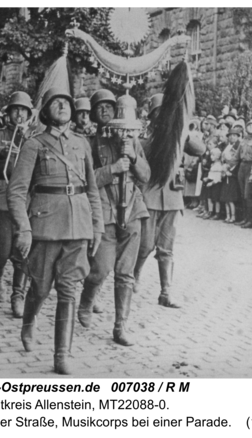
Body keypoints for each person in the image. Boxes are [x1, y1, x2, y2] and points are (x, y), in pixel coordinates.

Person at [7, 87, 103, 374]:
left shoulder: (82, 143)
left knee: (69, 289)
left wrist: (97, 225)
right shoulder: (34, 145)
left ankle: (62, 355)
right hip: (46, 225)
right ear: (46, 111)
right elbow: (16, 191)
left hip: (79, 225)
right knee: (40, 287)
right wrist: (23, 229)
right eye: (56, 103)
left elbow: (92, 189)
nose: (62, 106)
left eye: (66, 103)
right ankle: (28, 320)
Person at [77, 90, 150, 347]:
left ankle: (120, 326)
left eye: (112, 108)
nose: (107, 112)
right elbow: (86, 179)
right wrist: (112, 169)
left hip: (132, 210)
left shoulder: (133, 141)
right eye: (101, 108)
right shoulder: (89, 142)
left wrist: (132, 156)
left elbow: (145, 176)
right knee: (101, 268)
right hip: (105, 210)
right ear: (94, 114)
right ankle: (86, 299)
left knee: (125, 272)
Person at [133, 93, 206, 308]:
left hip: (173, 199)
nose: (164, 118)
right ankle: (135, 274)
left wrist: (184, 134)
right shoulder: (146, 141)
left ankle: (165, 292)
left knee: (166, 248)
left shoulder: (179, 139)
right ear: (153, 117)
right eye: (159, 114)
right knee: (145, 245)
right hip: (150, 197)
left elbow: (200, 150)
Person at [0, 91, 33, 315]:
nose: (19, 113)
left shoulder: (33, 137)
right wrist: (5, 150)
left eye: (23, 110)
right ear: (8, 113)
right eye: (15, 109)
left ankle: (18, 295)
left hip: (27, 199)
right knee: (1, 250)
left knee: (23, 251)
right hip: (3, 196)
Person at [220, 128, 241, 223]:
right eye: (230, 135)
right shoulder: (227, 146)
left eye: (234, 135)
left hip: (233, 173)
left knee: (231, 197)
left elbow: (236, 161)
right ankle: (227, 216)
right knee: (226, 197)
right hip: (225, 172)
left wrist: (231, 171)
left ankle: (233, 216)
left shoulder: (238, 147)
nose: (232, 137)